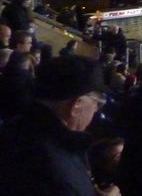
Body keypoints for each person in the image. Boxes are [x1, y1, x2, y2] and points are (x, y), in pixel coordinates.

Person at [0, 55, 120, 195]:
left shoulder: (16, 127)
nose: (95, 110)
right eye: (97, 103)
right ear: (77, 105)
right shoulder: (57, 172)